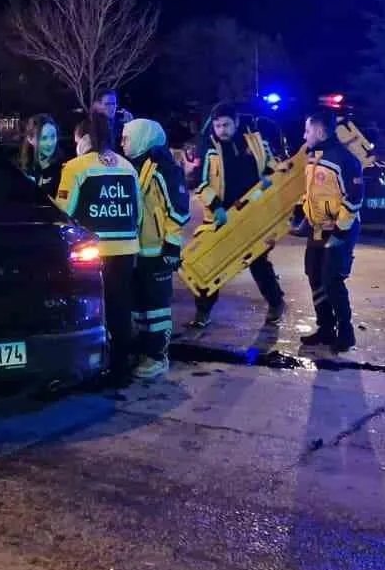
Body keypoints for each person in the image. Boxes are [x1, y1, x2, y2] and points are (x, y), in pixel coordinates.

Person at [55, 113, 141, 383]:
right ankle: (121, 368)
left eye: (77, 140)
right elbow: (137, 212)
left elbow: (63, 212)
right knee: (121, 308)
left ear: (84, 138)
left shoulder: (75, 167)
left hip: (93, 253)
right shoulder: (128, 167)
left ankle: (94, 368)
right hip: (126, 249)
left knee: (92, 310)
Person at [188, 103, 286, 328]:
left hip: (252, 214)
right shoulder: (208, 148)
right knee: (209, 265)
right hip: (219, 218)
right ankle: (202, 313)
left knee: (258, 262)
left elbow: (272, 164)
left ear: (237, 122)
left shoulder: (256, 141)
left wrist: (269, 177)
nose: (221, 130)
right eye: (217, 126)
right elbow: (200, 183)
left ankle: (276, 303)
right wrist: (216, 206)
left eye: (226, 125)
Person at [123, 118, 189, 379]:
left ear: (143, 137)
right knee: (141, 306)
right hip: (138, 249)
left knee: (156, 308)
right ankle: (144, 352)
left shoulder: (164, 167)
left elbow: (179, 210)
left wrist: (171, 247)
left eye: (127, 138)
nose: (122, 143)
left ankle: (158, 357)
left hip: (158, 250)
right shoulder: (136, 164)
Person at [294, 108, 364, 353]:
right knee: (315, 277)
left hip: (339, 231)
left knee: (332, 280)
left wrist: (340, 231)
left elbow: (354, 198)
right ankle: (325, 328)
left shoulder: (344, 160)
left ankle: (346, 333)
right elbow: (314, 194)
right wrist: (306, 220)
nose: (304, 136)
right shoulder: (314, 157)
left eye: (308, 131)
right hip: (317, 229)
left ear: (321, 132)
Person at [19, 114, 65, 198]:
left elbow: (64, 199)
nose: (50, 143)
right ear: (30, 139)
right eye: (44, 138)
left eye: (53, 137)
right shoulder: (22, 169)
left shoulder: (64, 168)